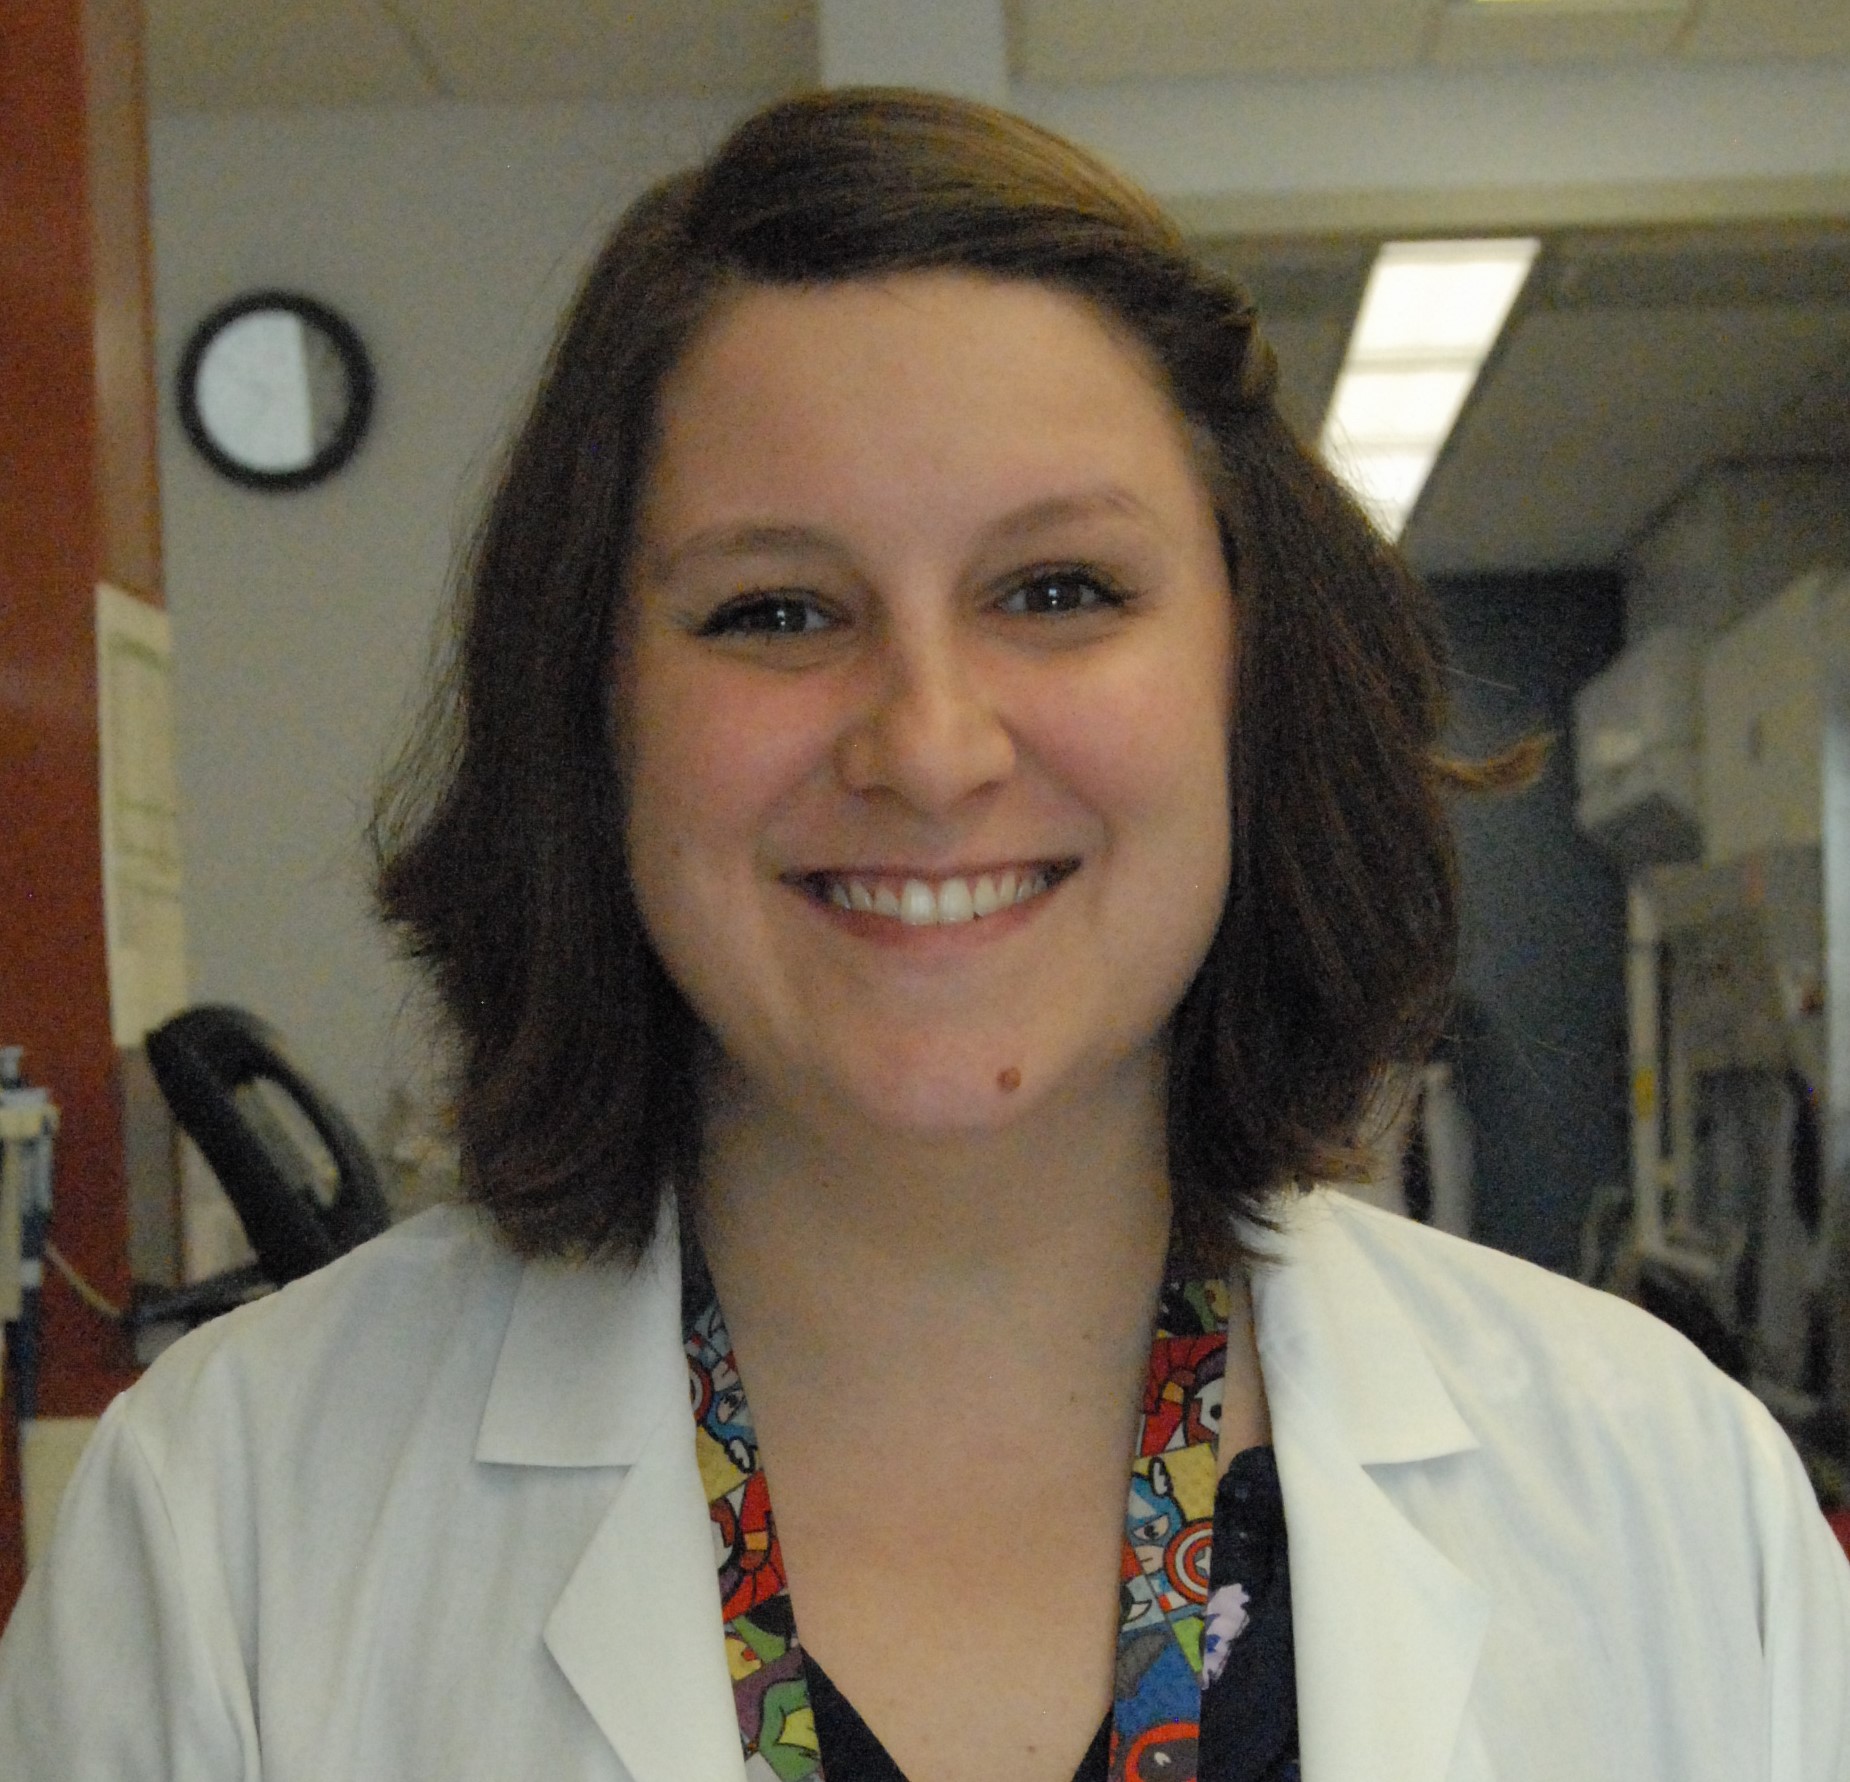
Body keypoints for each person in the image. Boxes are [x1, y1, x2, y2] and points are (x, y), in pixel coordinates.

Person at [2, 88, 1846, 1782]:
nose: (931, 745)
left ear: (1248, 674)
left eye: (1057, 588)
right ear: (597, 711)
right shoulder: (229, 1529)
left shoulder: (1661, 1495)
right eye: (775, 608)